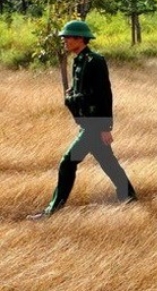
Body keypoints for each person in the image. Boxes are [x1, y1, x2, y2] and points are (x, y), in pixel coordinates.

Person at [28, 20, 137, 219]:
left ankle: (52, 211)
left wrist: (106, 126)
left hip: (94, 125)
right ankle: (129, 197)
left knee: (67, 162)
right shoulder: (78, 61)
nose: (64, 41)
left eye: (68, 37)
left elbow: (104, 95)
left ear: (80, 39)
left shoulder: (95, 61)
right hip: (86, 123)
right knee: (108, 163)